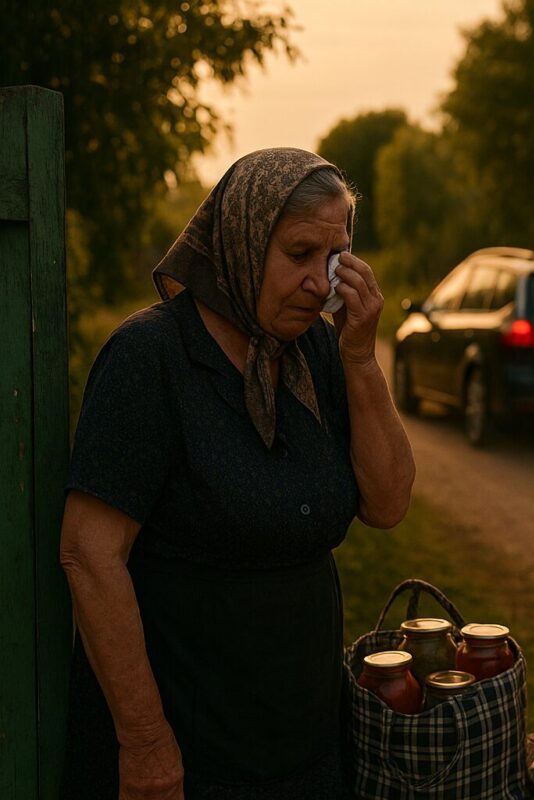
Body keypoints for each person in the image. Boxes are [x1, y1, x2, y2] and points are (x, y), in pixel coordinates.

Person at [59, 147, 416, 799]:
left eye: (335, 258)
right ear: (241, 240)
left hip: (304, 743)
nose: (320, 282)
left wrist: (361, 359)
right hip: (188, 754)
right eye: (300, 253)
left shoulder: (317, 352)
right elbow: (89, 555)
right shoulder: (152, 359)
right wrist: (145, 743)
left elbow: (388, 503)